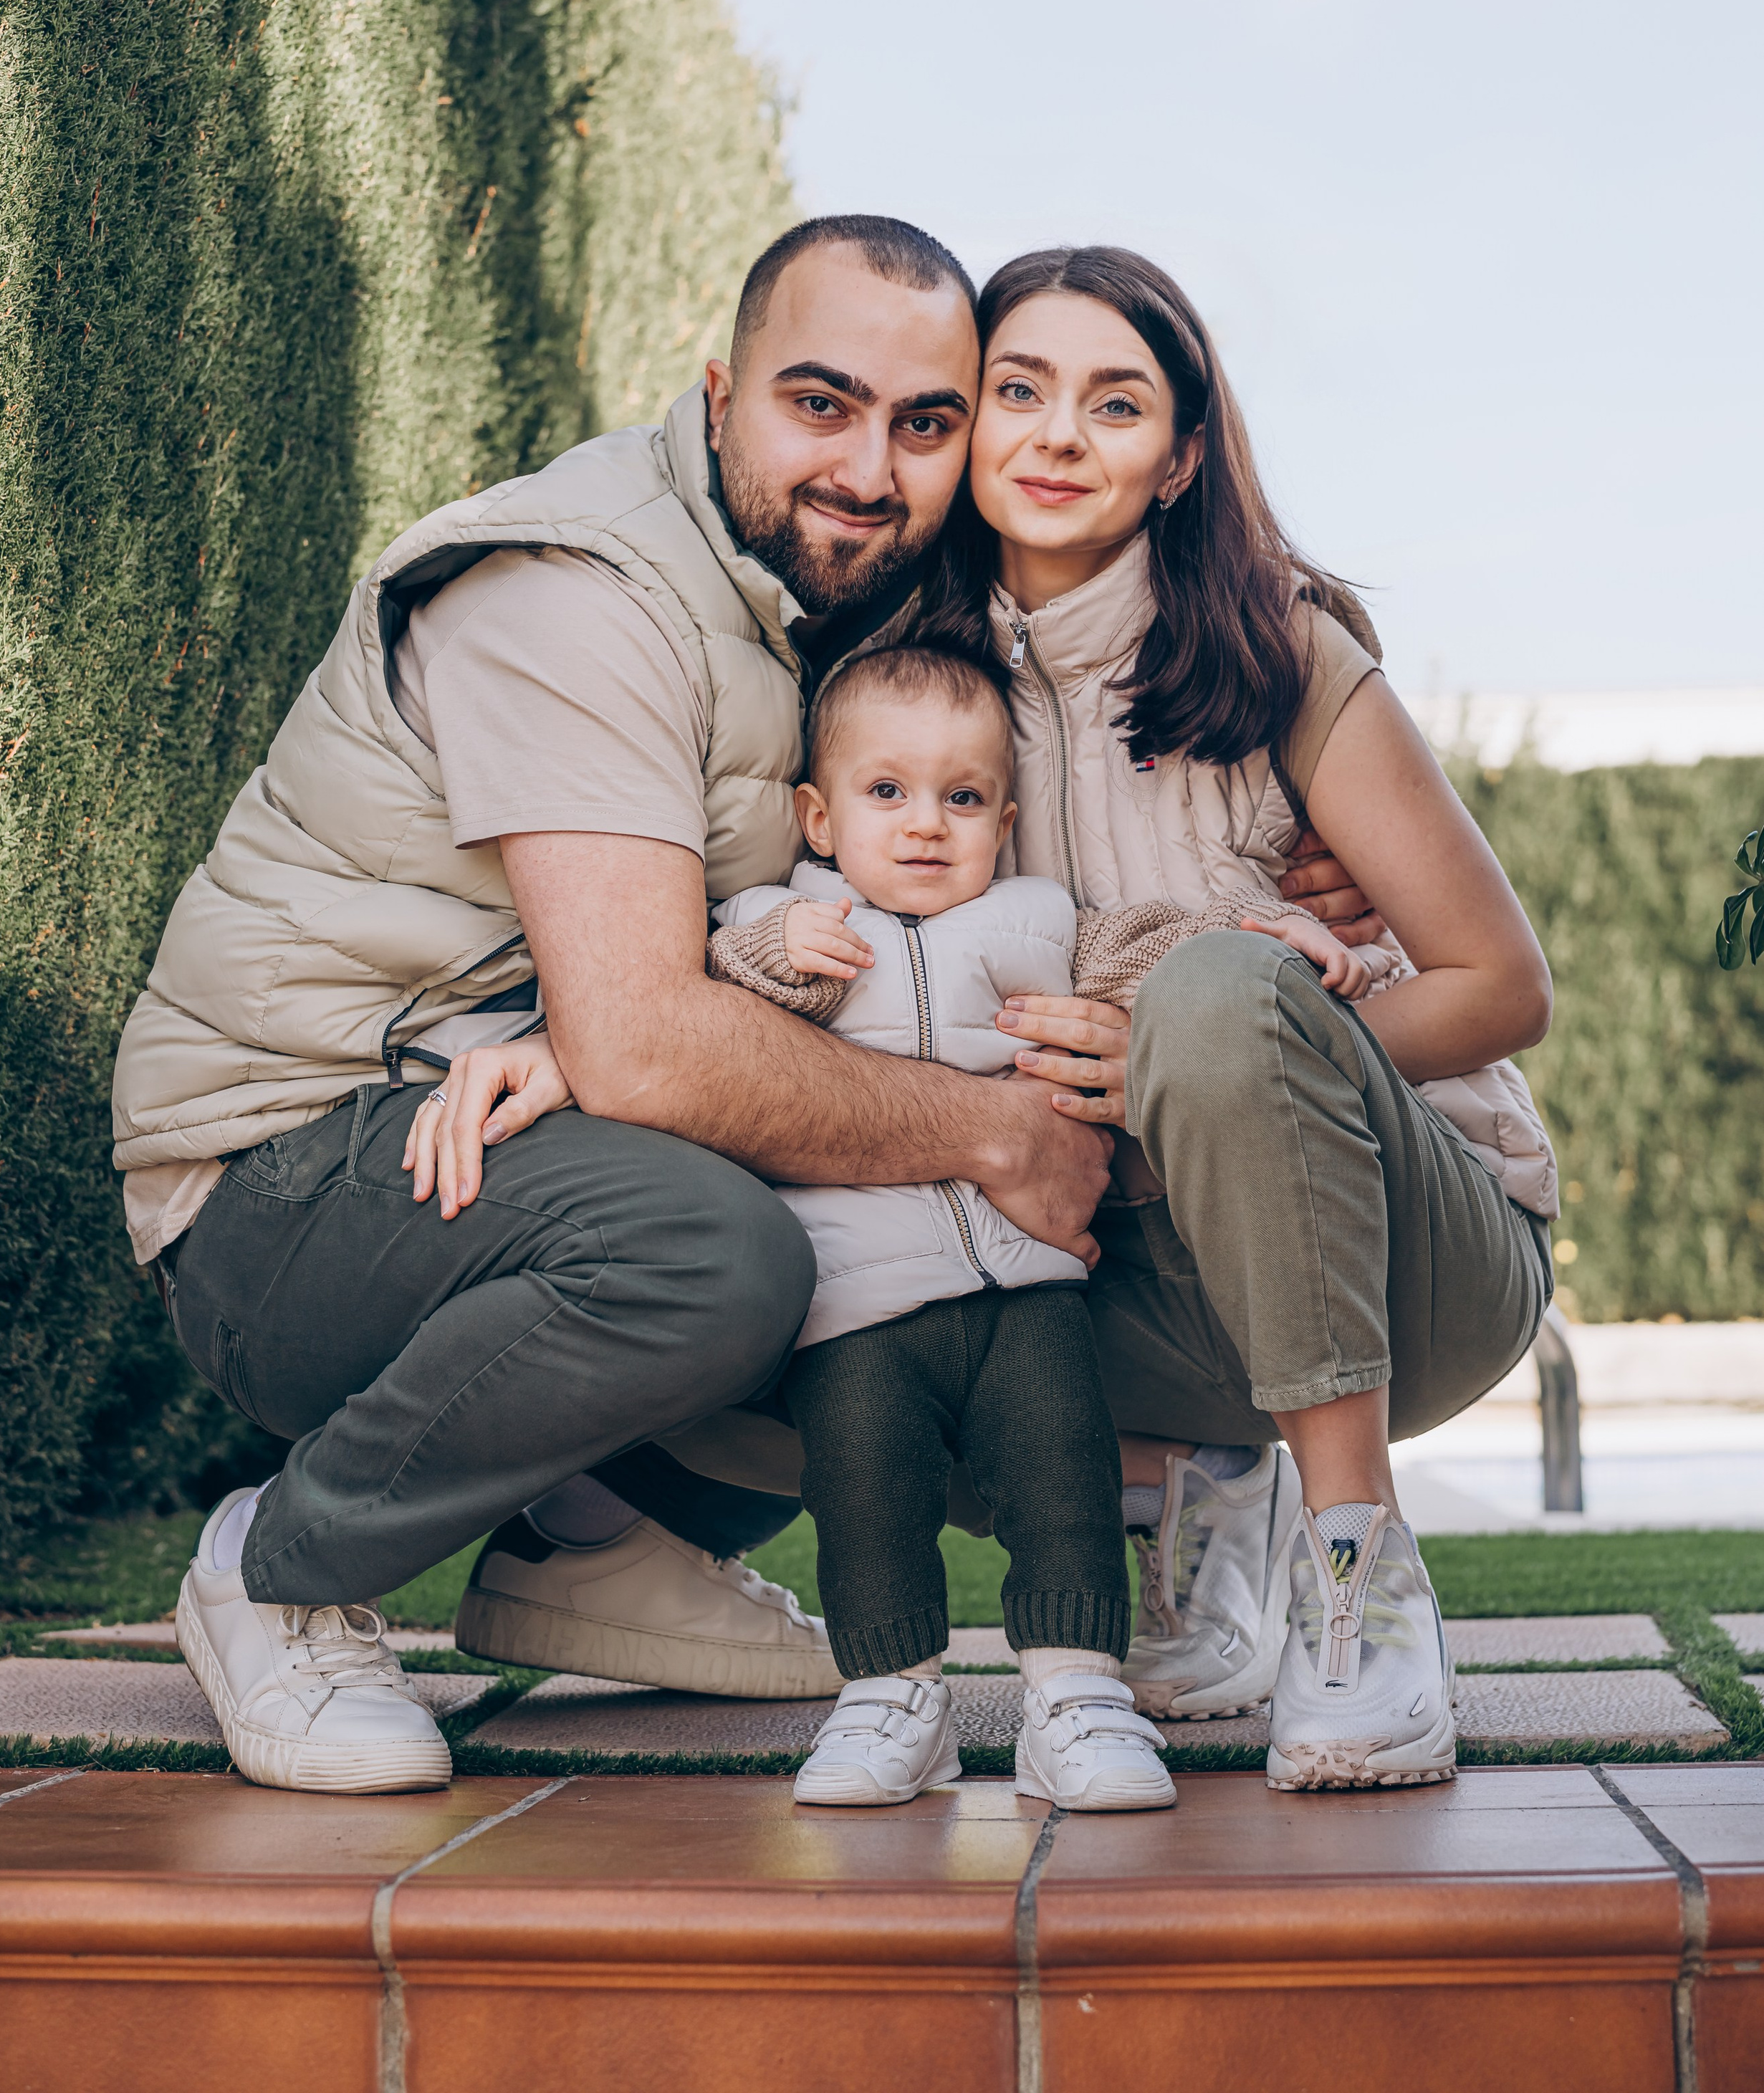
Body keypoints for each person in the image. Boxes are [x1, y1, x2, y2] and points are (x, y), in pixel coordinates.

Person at [115, 216, 1133, 1793]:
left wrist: (1280, 893)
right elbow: (648, 1042)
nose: (869, 466)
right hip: (291, 1175)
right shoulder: (575, 593)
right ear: (719, 397)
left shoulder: (836, 595)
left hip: (509, 1129)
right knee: (723, 1248)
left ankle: (599, 1541)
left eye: (922, 424)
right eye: (820, 403)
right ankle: (282, 1570)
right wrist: (996, 1133)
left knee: (896, 1253)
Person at [939, 244, 1557, 1792]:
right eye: (1016, 390)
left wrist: (1236, 1020)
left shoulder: (1273, 653)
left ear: (1181, 455)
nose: (1055, 436)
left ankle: (1359, 1576)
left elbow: (1499, 988)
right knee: (767, 1246)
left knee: (1217, 986)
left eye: (1114, 402)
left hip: (1416, 1262)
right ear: (961, 419)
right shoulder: (892, 686)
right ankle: (1189, 1487)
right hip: (1135, 1275)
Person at [706, 640, 1374, 1809]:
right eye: (886, 793)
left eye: (961, 799)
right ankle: (891, 1699)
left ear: (1003, 821)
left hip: (1029, 1291)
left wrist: (1266, 935)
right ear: (818, 818)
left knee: (1066, 1481)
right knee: (866, 1491)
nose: (926, 825)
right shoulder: (792, 920)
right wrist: (766, 947)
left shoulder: (1038, 919)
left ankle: (1077, 1697)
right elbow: (704, 998)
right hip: (854, 1305)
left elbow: (1156, 950)